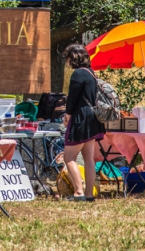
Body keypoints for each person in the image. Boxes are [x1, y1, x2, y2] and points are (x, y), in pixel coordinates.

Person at [61, 43, 105, 202]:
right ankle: (89, 194)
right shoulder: (91, 73)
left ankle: (78, 192)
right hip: (92, 117)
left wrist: (67, 114)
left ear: (72, 58)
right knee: (89, 158)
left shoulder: (77, 74)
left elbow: (72, 99)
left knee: (69, 157)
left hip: (81, 117)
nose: (66, 61)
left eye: (67, 57)